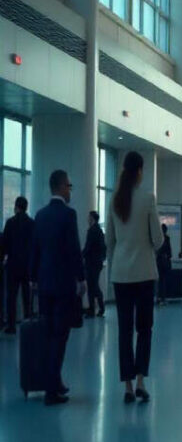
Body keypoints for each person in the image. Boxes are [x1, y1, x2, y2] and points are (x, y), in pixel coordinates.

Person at [106, 151, 162, 404]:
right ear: (139, 171)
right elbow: (158, 240)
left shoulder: (114, 200)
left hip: (121, 275)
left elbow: (110, 241)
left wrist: (113, 270)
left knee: (125, 330)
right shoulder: (148, 198)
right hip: (144, 273)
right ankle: (141, 381)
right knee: (145, 328)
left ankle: (127, 386)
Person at [30, 170, 85, 406]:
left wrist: (33, 279)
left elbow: (36, 250)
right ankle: (52, 390)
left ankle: (54, 381)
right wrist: (81, 279)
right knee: (60, 336)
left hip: (44, 285)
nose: (70, 190)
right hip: (63, 285)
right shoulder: (68, 215)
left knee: (48, 334)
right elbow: (74, 250)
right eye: (69, 186)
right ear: (62, 186)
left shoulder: (40, 215)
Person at [3, 195, 34, 333]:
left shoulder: (10, 222)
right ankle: (28, 322)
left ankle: (11, 326)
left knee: (12, 296)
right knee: (27, 295)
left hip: (13, 265)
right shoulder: (32, 223)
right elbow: (35, 245)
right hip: (27, 265)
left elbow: (4, 245)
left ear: (16, 207)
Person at [82, 210, 106, 318]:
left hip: (91, 262)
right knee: (93, 285)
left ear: (92, 218)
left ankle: (96, 308)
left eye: (88, 217)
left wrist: (80, 256)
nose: (87, 219)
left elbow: (88, 247)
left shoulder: (92, 230)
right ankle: (96, 308)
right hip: (97, 262)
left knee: (93, 286)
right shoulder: (99, 230)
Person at [156, 224, 172, 304]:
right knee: (163, 281)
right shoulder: (167, 238)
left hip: (158, 263)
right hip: (165, 263)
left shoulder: (157, 239)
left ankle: (159, 298)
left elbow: (156, 251)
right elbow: (170, 253)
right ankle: (163, 298)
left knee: (159, 281)